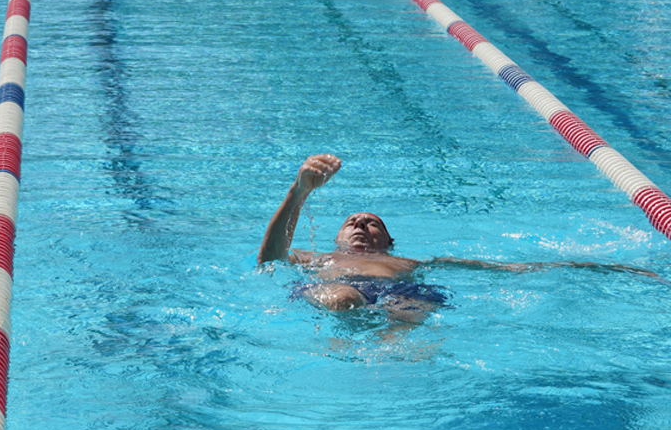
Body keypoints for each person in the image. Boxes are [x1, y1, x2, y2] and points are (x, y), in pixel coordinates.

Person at [258, 153, 658, 319]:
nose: (361, 224)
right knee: (344, 298)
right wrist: (300, 191)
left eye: (372, 222)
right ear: (336, 237)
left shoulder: (410, 263)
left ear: (390, 242)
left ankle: (389, 372)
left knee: (409, 314)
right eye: (352, 221)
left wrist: (595, 267)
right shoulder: (314, 258)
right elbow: (270, 258)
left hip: (400, 292)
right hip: (341, 286)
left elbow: (505, 269)